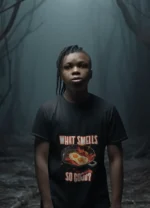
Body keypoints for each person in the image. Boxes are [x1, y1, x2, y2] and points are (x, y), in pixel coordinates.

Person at [32, 45, 128, 208]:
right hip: (59, 201)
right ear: (61, 74)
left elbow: (115, 158)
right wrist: (47, 202)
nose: (75, 70)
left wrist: (117, 203)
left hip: (97, 201)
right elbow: (41, 158)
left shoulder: (107, 111)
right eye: (68, 67)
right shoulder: (47, 111)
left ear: (91, 73)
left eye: (82, 65)